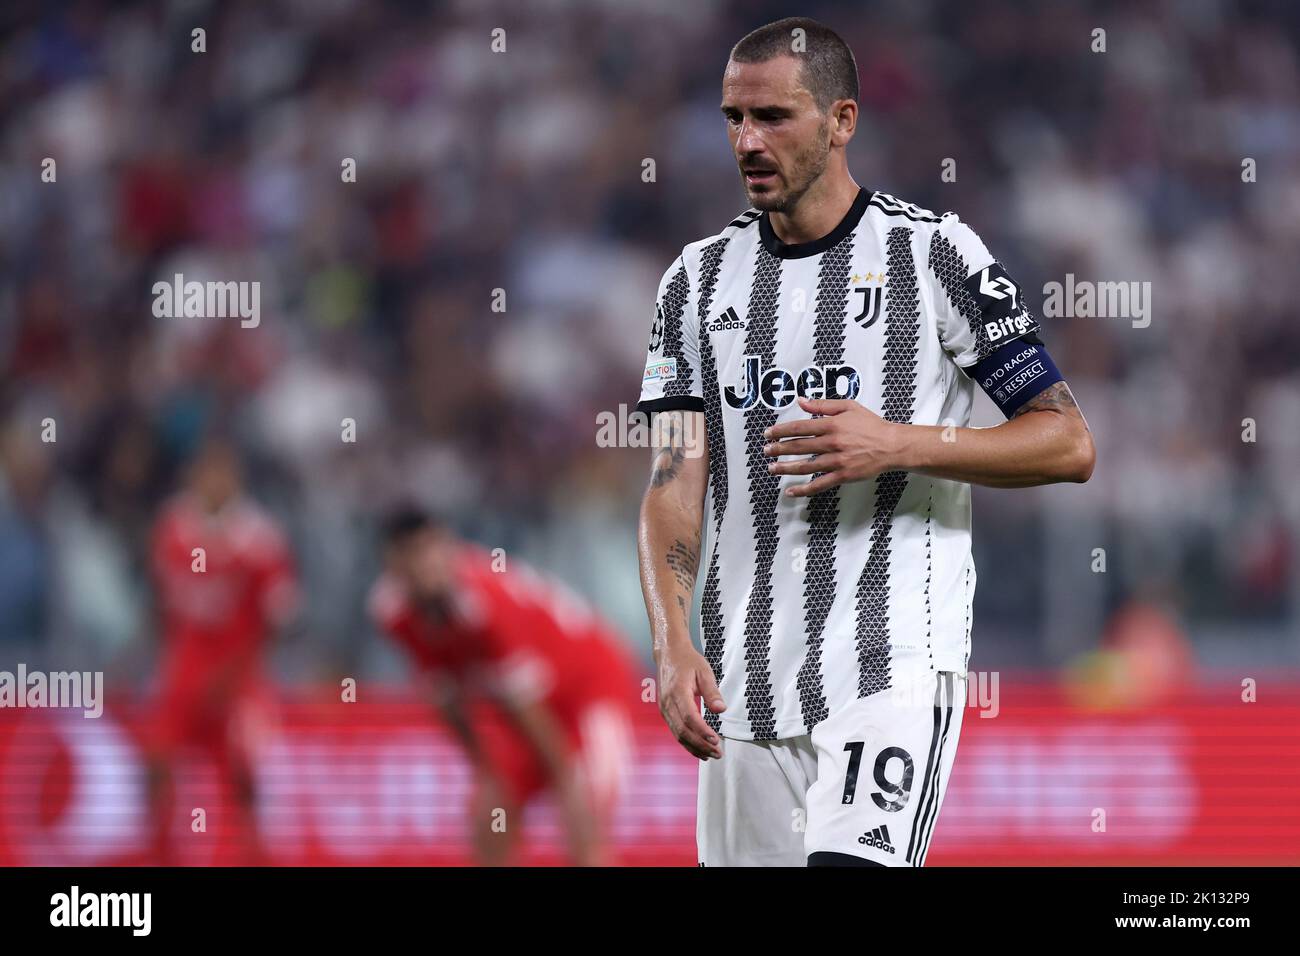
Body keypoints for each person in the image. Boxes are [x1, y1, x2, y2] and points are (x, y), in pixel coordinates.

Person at [635, 17, 1096, 866]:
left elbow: (1066, 442)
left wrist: (899, 444)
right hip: (745, 688)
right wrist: (670, 646)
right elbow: (672, 477)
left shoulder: (937, 256)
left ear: (843, 120)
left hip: (892, 664)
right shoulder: (693, 284)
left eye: (773, 116)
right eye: (733, 117)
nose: (747, 140)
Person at [370, 509, 638, 866]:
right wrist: (486, 769)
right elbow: (445, 698)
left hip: (588, 688)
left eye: (430, 550)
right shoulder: (393, 612)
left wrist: (566, 776)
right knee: (490, 819)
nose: (426, 565)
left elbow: (526, 708)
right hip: (524, 709)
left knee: (584, 816)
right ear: (393, 564)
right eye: (413, 554)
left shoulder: (486, 603)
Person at [147, 437, 297, 864]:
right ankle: (162, 854)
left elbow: (278, 618)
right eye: (206, 473)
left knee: (245, 772)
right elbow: (163, 602)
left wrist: (238, 671)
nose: (214, 482)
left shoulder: (260, 540)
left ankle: (254, 856)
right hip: (186, 667)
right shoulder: (172, 526)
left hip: (239, 671)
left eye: (223, 474)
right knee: (157, 761)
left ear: (236, 480)